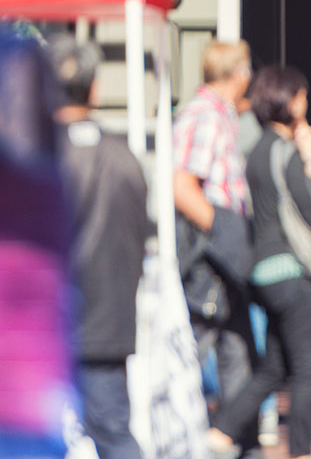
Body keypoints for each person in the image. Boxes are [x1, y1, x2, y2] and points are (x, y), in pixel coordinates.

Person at [207, 66, 311, 459]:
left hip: (263, 271)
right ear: (288, 102)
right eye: (302, 96)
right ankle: (302, 452)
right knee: (308, 369)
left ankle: (220, 433)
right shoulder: (283, 151)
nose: (305, 104)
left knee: (274, 367)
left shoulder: (256, 151)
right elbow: (310, 209)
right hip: (291, 270)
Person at [50, 36, 148, 459]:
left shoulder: (35, 153)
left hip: (45, 324)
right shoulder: (123, 154)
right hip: (107, 325)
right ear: (94, 89)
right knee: (113, 432)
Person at [172, 41, 258, 451]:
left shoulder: (220, 115)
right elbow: (183, 186)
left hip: (223, 251)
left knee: (238, 353)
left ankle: (240, 443)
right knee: (198, 349)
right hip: (211, 255)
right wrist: (223, 234)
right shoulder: (205, 116)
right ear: (239, 73)